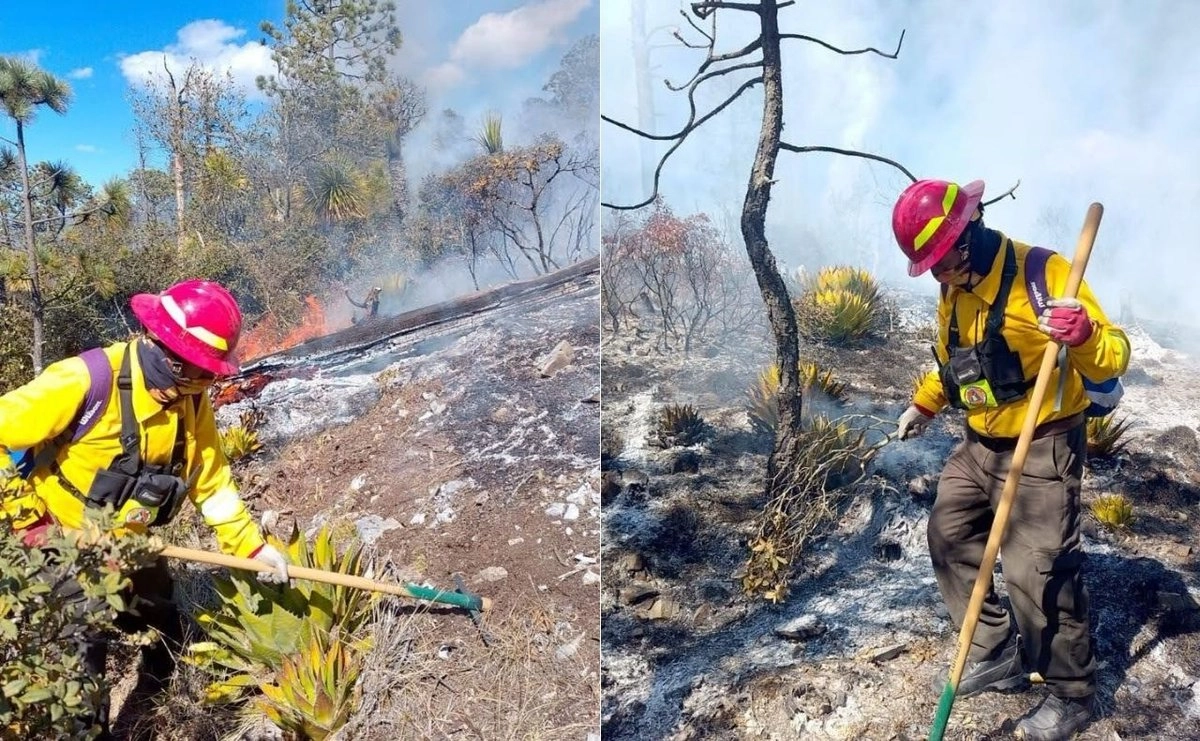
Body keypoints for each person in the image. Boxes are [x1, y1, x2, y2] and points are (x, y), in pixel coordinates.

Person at [891, 179, 1130, 741]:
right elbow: (957, 362)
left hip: (1043, 444)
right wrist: (923, 405)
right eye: (927, 265)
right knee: (948, 531)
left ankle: (1072, 692)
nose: (935, 273)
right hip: (980, 443)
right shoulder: (955, 286)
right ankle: (995, 650)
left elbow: (1114, 356)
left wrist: (1085, 335)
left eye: (940, 260)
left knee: (1036, 570)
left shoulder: (1043, 274)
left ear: (968, 235)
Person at [0, 278, 290, 738]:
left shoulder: (191, 401)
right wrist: (29, 522)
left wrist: (252, 548)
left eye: (209, 375)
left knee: (161, 614)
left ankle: (159, 687)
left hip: (132, 543)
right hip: (61, 542)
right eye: (197, 372)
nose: (203, 385)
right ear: (166, 352)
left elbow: (211, 482)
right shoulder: (83, 381)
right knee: (83, 651)